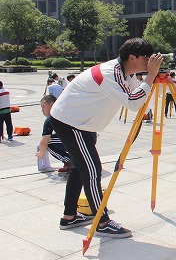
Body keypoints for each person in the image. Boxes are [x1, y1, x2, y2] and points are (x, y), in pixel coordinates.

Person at [50, 38, 162, 238]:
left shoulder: (126, 73)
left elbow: (142, 98)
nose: (150, 61)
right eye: (146, 57)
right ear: (132, 57)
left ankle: (69, 217)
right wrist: (151, 75)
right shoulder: (110, 74)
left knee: (79, 168)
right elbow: (133, 102)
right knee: (92, 170)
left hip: (82, 123)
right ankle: (102, 222)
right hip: (71, 122)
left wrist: (151, 78)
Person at [36, 95, 71, 173]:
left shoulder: (51, 118)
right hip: (88, 138)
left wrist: (40, 153)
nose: (42, 110)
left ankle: (69, 161)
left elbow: (44, 141)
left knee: (48, 142)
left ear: (52, 104)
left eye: (43, 107)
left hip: (76, 140)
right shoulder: (66, 110)